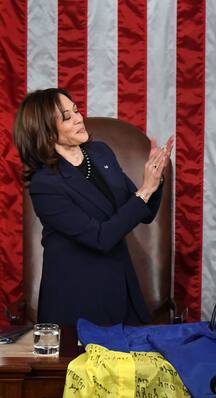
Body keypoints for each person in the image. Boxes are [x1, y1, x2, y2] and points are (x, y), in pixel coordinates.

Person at [14, 88, 173, 326]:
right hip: (77, 302)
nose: (79, 118)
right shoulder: (44, 184)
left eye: (76, 110)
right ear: (46, 132)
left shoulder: (100, 153)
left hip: (122, 288)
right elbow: (101, 238)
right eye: (66, 117)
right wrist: (145, 191)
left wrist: (155, 179)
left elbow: (145, 212)